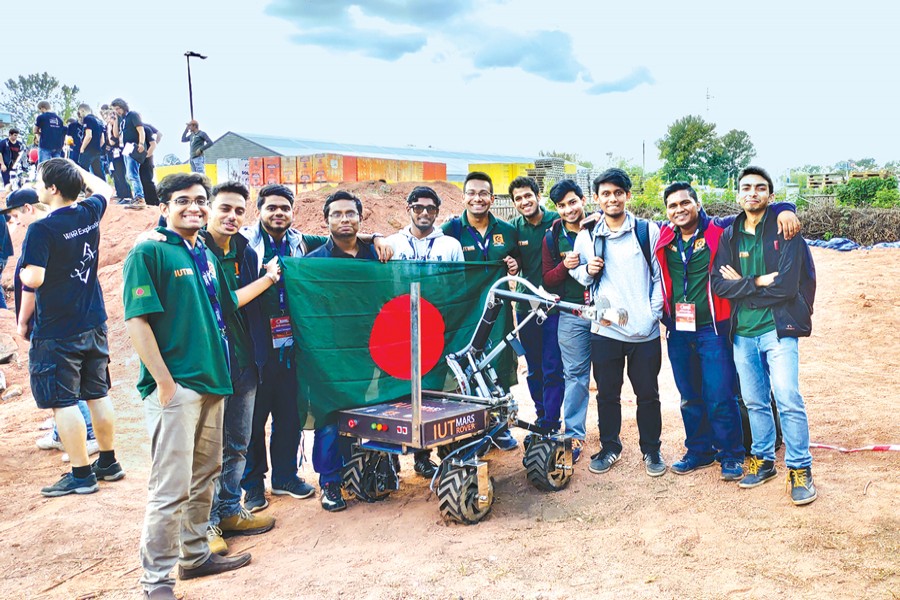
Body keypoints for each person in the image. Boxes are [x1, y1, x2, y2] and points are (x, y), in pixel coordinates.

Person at [124, 172, 256, 599]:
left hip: (214, 383)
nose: (194, 207)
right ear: (165, 206)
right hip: (178, 389)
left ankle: (195, 555)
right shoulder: (149, 252)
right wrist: (164, 383)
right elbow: (137, 321)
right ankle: (155, 581)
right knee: (170, 486)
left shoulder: (202, 253)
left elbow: (225, 303)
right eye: (184, 200)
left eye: (200, 200)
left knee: (205, 475)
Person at [711, 166, 817, 506]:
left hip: (778, 328)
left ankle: (800, 468)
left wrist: (741, 287)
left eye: (760, 188)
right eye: (746, 187)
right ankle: (764, 459)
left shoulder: (787, 229)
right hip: (742, 333)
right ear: (738, 194)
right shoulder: (730, 235)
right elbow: (718, 284)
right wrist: (757, 281)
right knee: (755, 401)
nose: (752, 193)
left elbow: (786, 285)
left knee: (787, 397)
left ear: (770, 196)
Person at [19, 159, 122, 497]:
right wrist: (77, 168)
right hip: (93, 320)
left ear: (52, 189)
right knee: (98, 393)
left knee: (63, 401)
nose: (36, 185)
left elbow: (34, 278)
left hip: (57, 329)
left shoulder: (41, 229)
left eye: (39, 180)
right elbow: (106, 189)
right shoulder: (89, 212)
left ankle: (80, 474)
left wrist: (19, 273)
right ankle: (108, 461)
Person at [571, 168, 666, 477]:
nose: (612, 199)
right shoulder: (587, 235)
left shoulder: (647, 231)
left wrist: (650, 315)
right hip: (605, 330)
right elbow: (580, 276)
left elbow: (658, 276)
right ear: (597, 199)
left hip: (644, 332)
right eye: (606, 194)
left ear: (628, 196)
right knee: (608, 394)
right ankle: (610, 447)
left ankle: (651, 450)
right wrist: (589, 270)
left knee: (648, 395)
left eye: (617, 193)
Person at [656, 182, 746, 481]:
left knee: (720, 393)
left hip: (713, 329)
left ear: (697, 202)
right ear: (667, 211)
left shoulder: (720, 230)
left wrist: (785, 209)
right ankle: (699, 450)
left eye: (685, 203)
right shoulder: (664, 235)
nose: (679, 209)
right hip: (679, 330)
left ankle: (731, 454)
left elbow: (757, 213)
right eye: (672, 206)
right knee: (689, 395)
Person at [305, 191, 378, 510]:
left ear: (360, 219)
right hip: (329, 357)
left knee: (364, 414)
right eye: (337, 214)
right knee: (330, 418)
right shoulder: (313, 263)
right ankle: (330, 483)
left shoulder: (377, 255)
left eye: (351, 214)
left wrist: (378, 240)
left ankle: (361, 474)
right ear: (326, 220)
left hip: (369, 352)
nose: (344, 219)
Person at [385, 186, 463, 477]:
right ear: (408, 209)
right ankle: (389, 458)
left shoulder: (450, 245)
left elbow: (459, 285)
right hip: (398, 328)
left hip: (436, 329)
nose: (425, 213)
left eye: (431, 209)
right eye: (419, 207)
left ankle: (424, 455)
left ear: (437, 212)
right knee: (394, 391)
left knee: (431, 393)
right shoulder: (390, 243)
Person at [441, 171, 520, 450]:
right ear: (463, 197)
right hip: (465, 311)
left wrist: (513, 267)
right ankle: (472, 430)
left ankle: (499, 428)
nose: (477, 198)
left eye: (483, 193)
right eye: (472, 193)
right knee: (467, 365)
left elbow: (518, 262)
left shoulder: (508, 231)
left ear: (492, 198)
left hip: (497, 312)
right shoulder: (450, 231)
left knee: (498, 359)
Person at [508, 176, 564, 440]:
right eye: (518, 198)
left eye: (528, 196)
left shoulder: (556, 220)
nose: (524, 201)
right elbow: (509, 259)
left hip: (554, 306)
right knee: (533, 367)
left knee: (553, 365)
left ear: (538, 196)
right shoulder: (513, 229)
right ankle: (541, 414)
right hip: (525, 307)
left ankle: (552, 421)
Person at [541, 180, 591, 463]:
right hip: (571, 316)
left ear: (583, 200)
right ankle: (574, 434)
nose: (568, 209)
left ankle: (610, 437)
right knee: (575, 376)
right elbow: (547, 279)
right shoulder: (552, 237)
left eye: (573, 202)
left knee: (609, 382)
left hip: (603, 315)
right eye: (561, 205)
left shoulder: (600, 227)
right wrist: (565, 266)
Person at [110, 98, 146, 208]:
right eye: (115, 109)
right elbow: (115, 135)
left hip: (133, 147)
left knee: (133, 174)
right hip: (125, 148)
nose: (117, 111)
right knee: (130, 174)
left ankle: (140, 198)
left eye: (118, 109)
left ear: (123, 106)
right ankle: (137, 196)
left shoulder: (133, 115)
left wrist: (141, 143)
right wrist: (116, 119)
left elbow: (141, 130)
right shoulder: (122, 119)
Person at [77, 105, 105, 178]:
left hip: (88, 150)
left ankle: (82, 189)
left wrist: (82, 148)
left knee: (82, 172)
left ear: (83, 110)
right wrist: (97, 146)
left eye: (79, 112)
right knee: (99, 173)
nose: (79, 115)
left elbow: (89, 135)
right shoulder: (99, 121)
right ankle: (104, 188)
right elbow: (102, 140)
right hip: (97, 150)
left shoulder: (88, 119)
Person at [139, 122, 160, 206]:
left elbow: (153, 144)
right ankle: (149, 201)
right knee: (143, 180)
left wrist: (147, 155)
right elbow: (159, 134)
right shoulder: (146, 127)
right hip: (141, 157)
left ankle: (154, 201)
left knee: (147, 180)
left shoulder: (145, 128)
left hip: (147, 157)